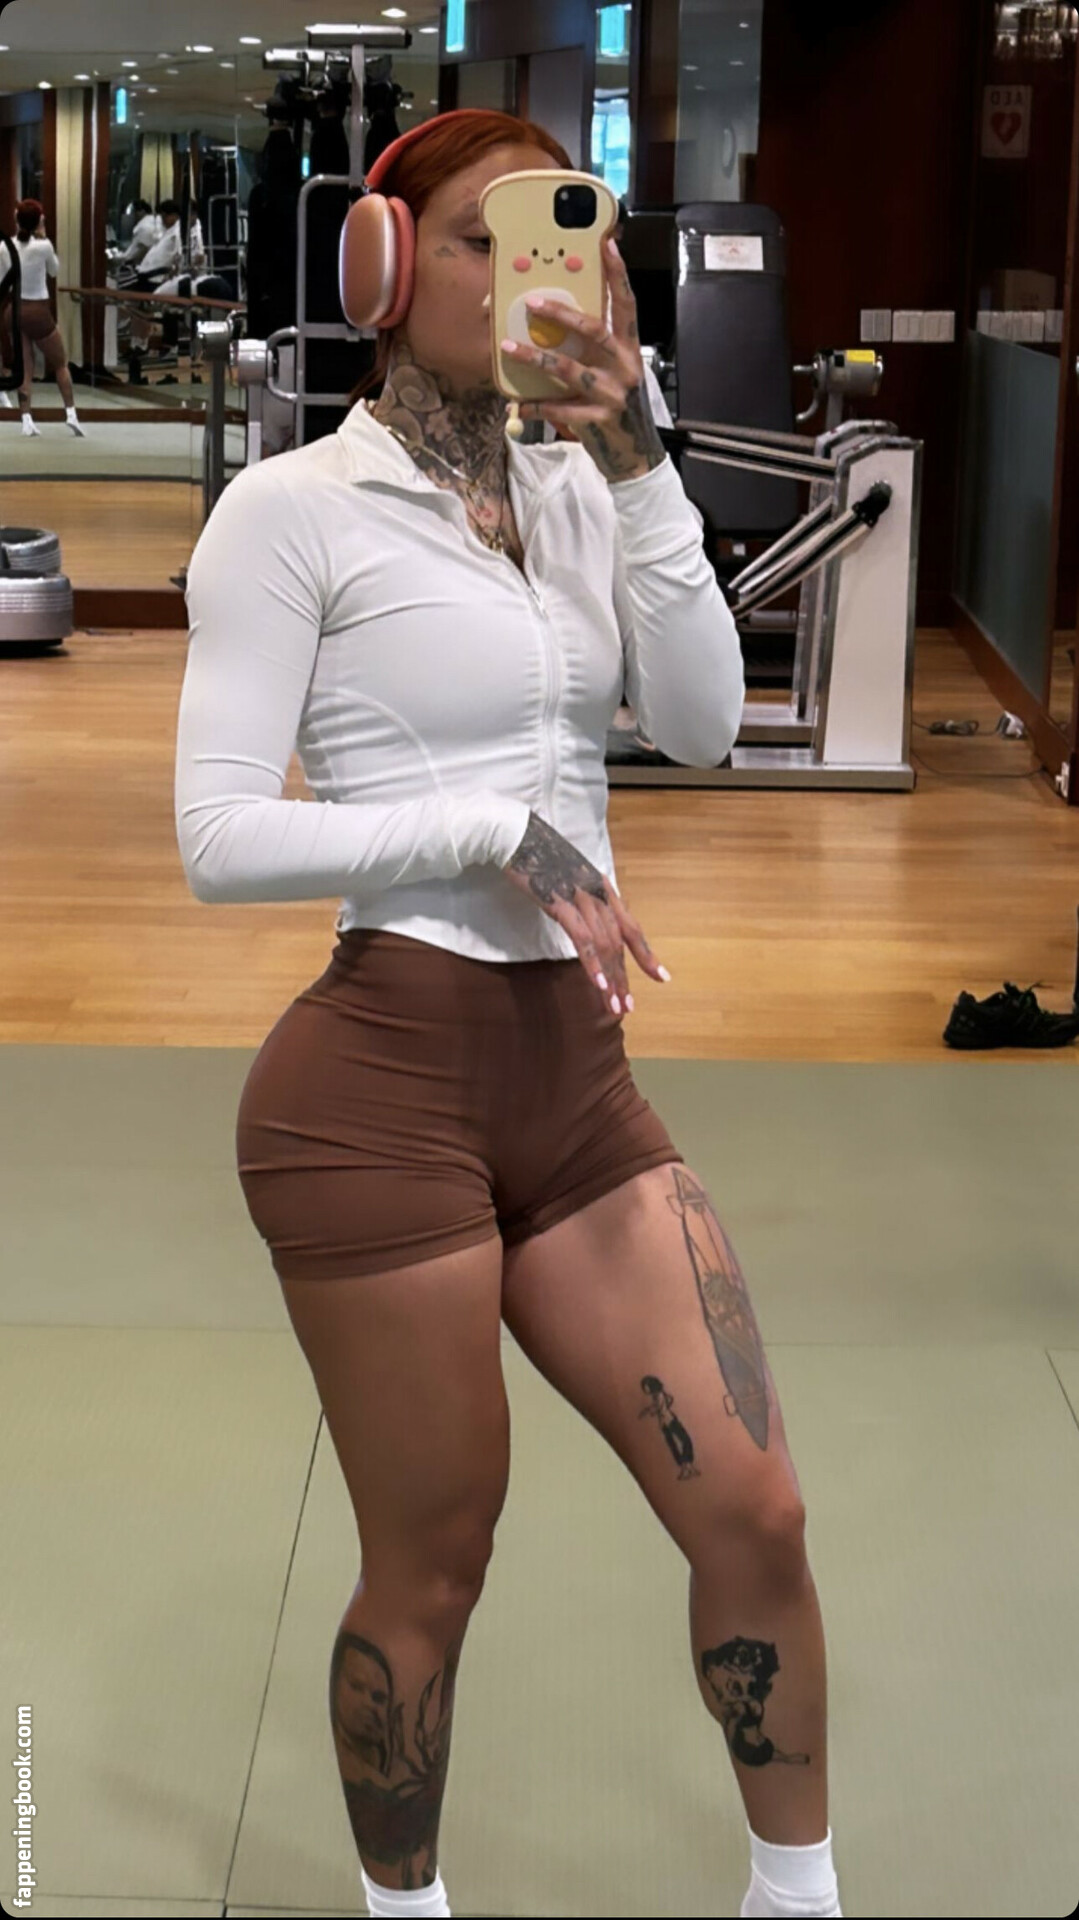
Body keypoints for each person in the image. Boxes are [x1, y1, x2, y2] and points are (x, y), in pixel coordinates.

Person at [175, 110, 840, 1920]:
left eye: (567, 230)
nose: (541, 271)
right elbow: (219, 838)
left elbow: (700, 727)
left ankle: (797, 1896)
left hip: (577, 1092)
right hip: (372, 1097)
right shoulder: (291, 513)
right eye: (485, 237)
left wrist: (634, 461)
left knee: (756, 1512)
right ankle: (406, 1911)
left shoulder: (574, 492)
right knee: (434, 1562)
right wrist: (493, 826)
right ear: (384, 270)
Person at [8, 199, 84, 436]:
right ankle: (71, 413)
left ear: (17, 220)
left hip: (14, 310)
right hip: (38, 310)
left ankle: (26, 419)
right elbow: (54, 271)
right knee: (60, 363)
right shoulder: (43, 246)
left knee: (25, 368)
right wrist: (43, 235)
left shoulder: (4, 247)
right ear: (40, 221)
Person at [117, 198, 159, 266]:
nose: (134, 215)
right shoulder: (154, 221)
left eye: (135, 212)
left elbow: (139, 249)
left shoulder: (143, 227)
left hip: (144, 263)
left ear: (142, 211)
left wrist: (123, 258)